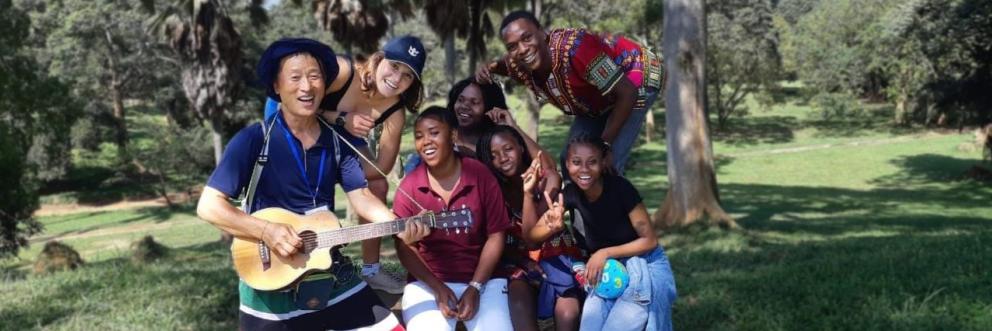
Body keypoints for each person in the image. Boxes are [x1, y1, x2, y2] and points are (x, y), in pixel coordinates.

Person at [196, 38, 430, 330]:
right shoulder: (254, 140)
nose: (306, 87)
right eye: (295, 78)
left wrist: (397, 224)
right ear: (277, 86)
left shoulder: (338, 143)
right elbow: (208, 206)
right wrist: (267, 231)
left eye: (315, 76)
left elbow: (362, 196)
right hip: (271, 287)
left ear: (324, 85)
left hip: (332, 277)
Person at [265, 35, 428, 294]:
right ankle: (289, 262)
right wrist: (342, 119)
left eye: (407, 75)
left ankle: (371, 270)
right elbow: (297, 97)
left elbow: (382, 167)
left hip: (338, 134)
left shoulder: (395, 112)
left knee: (377, 185)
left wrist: (346, 173)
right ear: (379, 59)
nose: (397, 79)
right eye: (395, 66)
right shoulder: (343, 71)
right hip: (289, 116)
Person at [476, 10, 665, 174]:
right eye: (513, 46)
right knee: (571, 161)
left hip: (635, 77)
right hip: (596, 98)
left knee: (604, 165)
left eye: (527, 38)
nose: (523, 49)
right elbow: (501, 65)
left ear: (543, 33)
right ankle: (579, 216)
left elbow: (628, 93)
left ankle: (618, 212)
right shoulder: (517, 62)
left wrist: (603, 145)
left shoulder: (578, 50)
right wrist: (488, 68)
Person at [392, 107, 514, 331]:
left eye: (434, 133)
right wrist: (437, 287)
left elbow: (496, 234)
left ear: (453, 136)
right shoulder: (409, 186)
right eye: (419, 136)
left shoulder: (480, 175)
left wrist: (475, 287)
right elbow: (403, 248)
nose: (425, 141)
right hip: (428, 282)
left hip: (484, 280)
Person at [549, 135, 677, 331]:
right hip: (606, 271)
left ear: (602, 163)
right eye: (576, 162)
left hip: (642, 264)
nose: (584, 169)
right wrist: (551, 219)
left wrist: (604, 252)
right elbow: (532, 236)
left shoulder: (621, 189)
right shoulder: (571, 194)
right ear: (567, 164)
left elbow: (649, 240)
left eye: (592, 162)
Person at [476, 125, 583, 331]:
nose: (503, 158)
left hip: (558, 258)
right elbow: (504, 242)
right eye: (494, 155)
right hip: (521, 263)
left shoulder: (545, 182)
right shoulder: (494, 192)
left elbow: (531, 235)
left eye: (508, 149)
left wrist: (528, 194)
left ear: (521, 147)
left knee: (568, 313)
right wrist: (522, 261)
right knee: (517, 300)